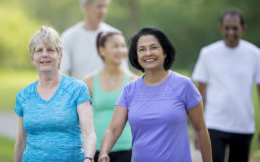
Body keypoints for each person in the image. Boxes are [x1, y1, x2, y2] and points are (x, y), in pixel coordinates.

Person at [98, 27, 212, 162]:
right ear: (136, 56)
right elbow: (113, 129)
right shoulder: (130, 90)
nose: (148, 53)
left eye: (153, 47)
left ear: (165, 52)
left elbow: (200, 129)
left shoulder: (184, 85)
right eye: (142, 49)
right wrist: (104, 152)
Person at [14, 26, 96, 162]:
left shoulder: (77, 89)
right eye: (39, 51)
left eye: (50, 50)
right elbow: (21, 140)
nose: (44, 55)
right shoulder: (23, 96)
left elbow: (88, 133)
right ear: (32, 58)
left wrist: (88, 158)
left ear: (60, 56)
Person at [192, 8, 260, 162]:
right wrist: (197, 130)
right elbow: (200, 95)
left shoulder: (255, 55)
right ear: (220, 28)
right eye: (227, 28)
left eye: (235, 28)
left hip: (243, 126)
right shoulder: (207, 53)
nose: (231, 32)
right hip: (214, 124)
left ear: (243, 29)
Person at [84, 31, 137, 162]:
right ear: (101, 50)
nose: (121, 50)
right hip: (95, 150)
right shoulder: (89, 81)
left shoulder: (134, 82)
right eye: (115, 46)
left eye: (123, 46)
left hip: (127, 149)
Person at [61, 0, 127, 80]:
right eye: (99, 6)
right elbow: (60, 72)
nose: (103, 11)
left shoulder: (115, 35)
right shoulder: (69, 37)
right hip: (81, 94)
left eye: (105, 6)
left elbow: (125, 72)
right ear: (86, 6)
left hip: (112, 94)